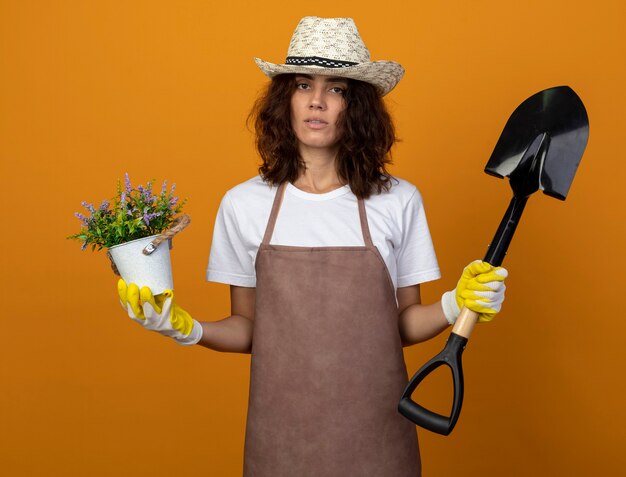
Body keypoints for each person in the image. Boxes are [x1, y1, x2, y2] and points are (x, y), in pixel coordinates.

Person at [117, 16, 508, 477]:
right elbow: (249, 329)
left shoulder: (398, 200)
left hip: (377, 437)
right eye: (303, 85)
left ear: (356, 106)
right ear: (285, 100)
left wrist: (453, 304)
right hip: (279, 440)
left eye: (337, 88)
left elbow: (401, 325)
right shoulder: (244, 204)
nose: (317, 101)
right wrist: (184, 328)